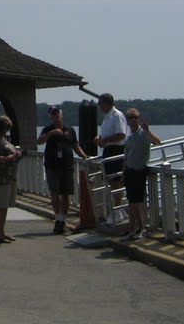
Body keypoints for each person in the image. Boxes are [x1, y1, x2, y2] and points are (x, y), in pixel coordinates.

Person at [37, 105, 87, 234]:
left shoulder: (70, 130)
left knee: (66, 194)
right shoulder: (47, 129)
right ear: (51, 117)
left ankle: (63, 220)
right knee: (55, 193)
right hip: (52, 166)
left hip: (67, 165)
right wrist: (51, 133)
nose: (55, 117)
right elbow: (39, 142)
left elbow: (76, 146)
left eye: (57, 114)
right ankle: (57, 219)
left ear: (61, 115)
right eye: (53, 115)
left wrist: (85, 156)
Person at [120, 108, 161, 240]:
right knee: (131, 203)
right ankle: (132, 229)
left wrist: (148, 130)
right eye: (131, 117)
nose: (133, 120)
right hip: (129, 172)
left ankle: (141, 228)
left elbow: (157, 142)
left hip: (139, 171)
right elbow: (126, 156)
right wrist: (123, 173)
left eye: (136, 117)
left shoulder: (143, 134)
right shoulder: (129, 136)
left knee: (136, 203)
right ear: (127, 120)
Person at [0, 115, 23, 243]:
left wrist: (16, 156)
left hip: (8, 177)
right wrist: (12, 157)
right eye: (6, 128)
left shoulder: (2, 139)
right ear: (1, 127)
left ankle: (1, 232)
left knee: (4, 206)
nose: (7, 131)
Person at [93, 93, 129, 206]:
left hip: (117, 150)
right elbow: (107, 134)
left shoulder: (116, 115)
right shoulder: (107, 117)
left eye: (100, 103)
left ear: (107, 103)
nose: (99, 106)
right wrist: (99, 139)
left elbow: (121, 135)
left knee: (116, 182)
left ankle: (118, 209)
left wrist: (105, 140)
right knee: (111, 181)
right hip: (108, 151)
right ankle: (119, 209)